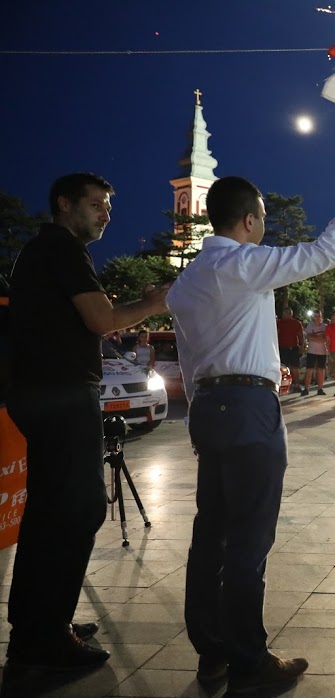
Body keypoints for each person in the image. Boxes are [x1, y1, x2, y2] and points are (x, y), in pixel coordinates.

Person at [165, 165, 335, 693]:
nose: (263, 226)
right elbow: (324, 252)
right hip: (247, 406)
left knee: (210, 537)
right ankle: (249, 662)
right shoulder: (242, 263)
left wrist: (200, 416)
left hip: (208, 406)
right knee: (249, 537)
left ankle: (212, 652)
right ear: (248, 221)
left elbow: (189, 362)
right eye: (261, 218)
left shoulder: (187, 281)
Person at [3, 172, 169, 678]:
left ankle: (39, 625)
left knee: (51, 510)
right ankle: (43, 637)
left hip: (42, 393)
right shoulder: (62, 249)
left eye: (108, 206)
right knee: (78, 509)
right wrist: (155, 302)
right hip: (60, 395)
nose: (106, 214)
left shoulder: (42, 251)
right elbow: (102, 320)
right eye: (96, 204)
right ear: (64, 204)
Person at [276, 307, 304, 391]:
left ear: (291, 314)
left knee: (295, 367)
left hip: (293, 347)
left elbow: (300, 335)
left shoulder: (296, 323)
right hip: (283, 348)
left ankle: (296, 385)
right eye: (286, 313)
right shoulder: (279, 323)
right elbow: (276, 334)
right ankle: (283, 385)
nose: (287, 314)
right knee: (284, 367)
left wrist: (302, 346)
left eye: (289, 313)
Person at [301, 311, 328, 396]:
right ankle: (306, 388)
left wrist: (316, 338)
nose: (317, 318)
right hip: (311, 351)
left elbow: (325, 338)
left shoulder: (325, 326)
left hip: (322, 352)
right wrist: (319, 338)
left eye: (319, 316)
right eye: (316, 316)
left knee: (321, 370)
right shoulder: (310, 326)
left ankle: (320, 388)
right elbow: (309, 337)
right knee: (309, 370)